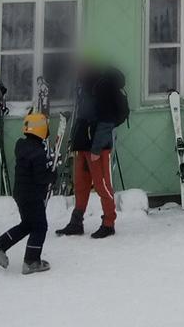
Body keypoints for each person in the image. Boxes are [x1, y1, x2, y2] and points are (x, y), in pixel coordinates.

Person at [56, 57, 127, 238]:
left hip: (98, 148)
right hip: (83, 145)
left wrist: (96, 149)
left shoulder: (101, 88)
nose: (76, 72)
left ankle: (109, 223)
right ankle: (76, 222)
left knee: (103, 186)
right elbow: (83, 117)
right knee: (81, 185)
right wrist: (76, 142)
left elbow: (107, 120)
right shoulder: (85, 88)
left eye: (79, 68)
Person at [0, 110, 55, 274]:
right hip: (32, 195)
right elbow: (40, 177)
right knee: (39, 227)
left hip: (21, 193)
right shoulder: (38, 153)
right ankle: (31, 261)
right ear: (41, 130)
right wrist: (52, 175)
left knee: (27, 225)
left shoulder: (22, 146)